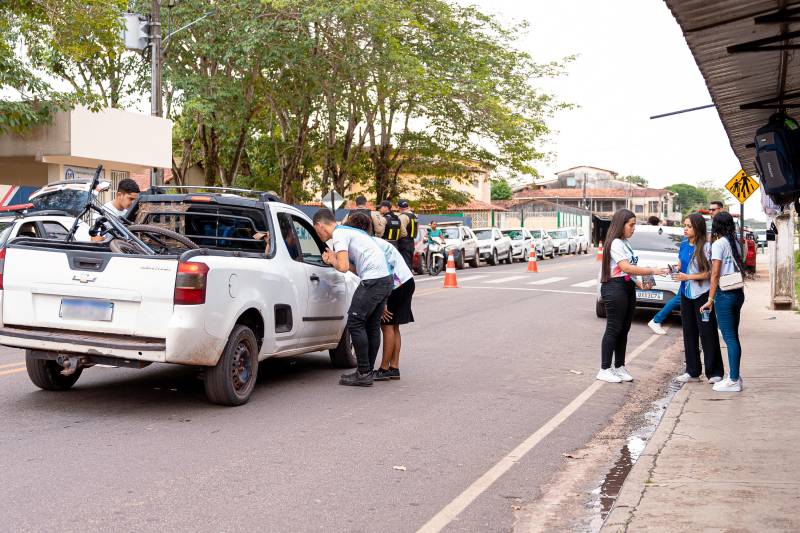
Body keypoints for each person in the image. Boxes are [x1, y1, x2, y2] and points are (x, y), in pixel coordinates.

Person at [312, 208, 394, 387]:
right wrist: (336, 260)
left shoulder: (339, 234)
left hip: (373, 281)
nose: (317, 235)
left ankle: (363, 372)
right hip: (385, 279)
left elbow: (341, 267)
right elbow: (354, 268)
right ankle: (368, 371)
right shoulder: (351, 231)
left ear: (320, 225)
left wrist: (331, 260)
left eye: (316, 230)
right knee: (372, 325)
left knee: (355, 322)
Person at [598, 209, 668, 383]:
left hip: (627, 287)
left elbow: (629, 273)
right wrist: (653, 270)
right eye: (631, 224)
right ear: (621, 224)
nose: (634, 228)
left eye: (634, 224)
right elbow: (626, 268)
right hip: (614, 288)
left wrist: (643, 284)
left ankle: (619, 366)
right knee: (614, 328)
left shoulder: (625, 243)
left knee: (624, 329)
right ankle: (605, 368)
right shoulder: (615, 243)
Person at [344, 212, 415, 381]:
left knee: (387, 326)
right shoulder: (374, 242)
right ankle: (394, 367)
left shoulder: (367, 244)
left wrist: (382, 300)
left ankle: (384, 369)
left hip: (395, 285)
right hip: (406, 280)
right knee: (394, 327)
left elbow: (384, 269)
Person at [672, 213, 724, 384]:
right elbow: (682, 264)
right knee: (689, 332)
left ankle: (715, 371)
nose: (685, 229)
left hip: (702, 295)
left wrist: (688, 277)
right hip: (685, 294)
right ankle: (692, 371)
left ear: (698, 228)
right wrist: (675, 268)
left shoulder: (708, 247)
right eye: (684, 226)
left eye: (689, 226)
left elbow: (710, 273)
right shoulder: (684, 245)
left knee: (707, 332)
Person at [700, 212, 746, 392]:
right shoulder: (736, 242)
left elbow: (715, 274)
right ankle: (735, 375)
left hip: (724, 294)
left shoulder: (719, 244)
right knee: (734, 336)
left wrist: (710, 299)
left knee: (730, 338)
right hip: (737, 293)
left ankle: (733, 380)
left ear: (716, 225)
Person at [396, 200, 418, 269]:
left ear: (399, 207)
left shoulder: (403, 217)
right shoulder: (414, 216)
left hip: (403, 242)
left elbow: (402, 231)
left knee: (405, 264)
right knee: (409, 262)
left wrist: (397, 238)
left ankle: (408, 279)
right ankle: (410, 278)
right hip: (411, 241)